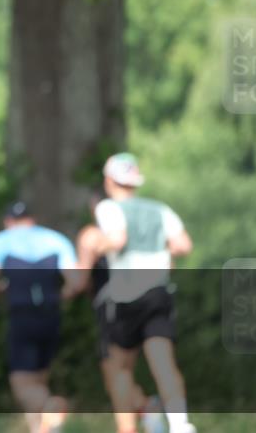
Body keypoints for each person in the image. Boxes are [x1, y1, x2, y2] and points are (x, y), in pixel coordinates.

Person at [86, 153, 194, 433]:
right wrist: (157, 252)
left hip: (126, 295)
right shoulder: (160, 209)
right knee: (163, 362)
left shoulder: (108, 208)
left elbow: (118, 238)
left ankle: (128, 428)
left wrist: (95, 245)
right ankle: (180, 423)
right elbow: (183, 245)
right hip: (158, 290)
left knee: (120, 367)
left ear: (109, 181)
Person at [0, 201, 83, 433]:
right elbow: (76, 282)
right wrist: (59, 297)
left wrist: (1, 293)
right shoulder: (55, 240)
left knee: (22, 383)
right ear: (32, 219)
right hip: (50, 315)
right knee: (39, 380)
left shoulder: (1, 242)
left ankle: (49, 406)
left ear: (8, 222)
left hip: (21, 316)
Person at [77, 191, 165, 433]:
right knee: (120, 372)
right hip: (143, 301)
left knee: (116, 372)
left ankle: (128, 426)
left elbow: (80, 279)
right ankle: (147, 407)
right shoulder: (140, 233)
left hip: (112, 307)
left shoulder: (92, 235)